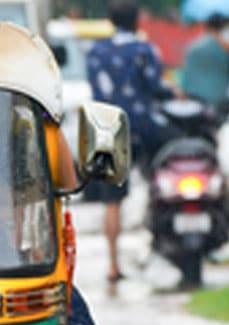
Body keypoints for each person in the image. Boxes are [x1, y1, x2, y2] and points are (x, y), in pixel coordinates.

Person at [85, 1, 177, 285]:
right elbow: (156, 87)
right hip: (144, 128)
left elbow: (96, 89)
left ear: (111, 21)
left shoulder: (96, 52)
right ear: (137, 21)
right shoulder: (143, 51)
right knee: (160, 184)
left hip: (110, 128)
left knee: (112, 202)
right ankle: (157, 246)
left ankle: (113, 265)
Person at [180, 14, 229, 109]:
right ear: (224, 25)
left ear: (206, 25)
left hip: (194, 101)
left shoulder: (193, 47)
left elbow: (186, 79)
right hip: (220, 102)